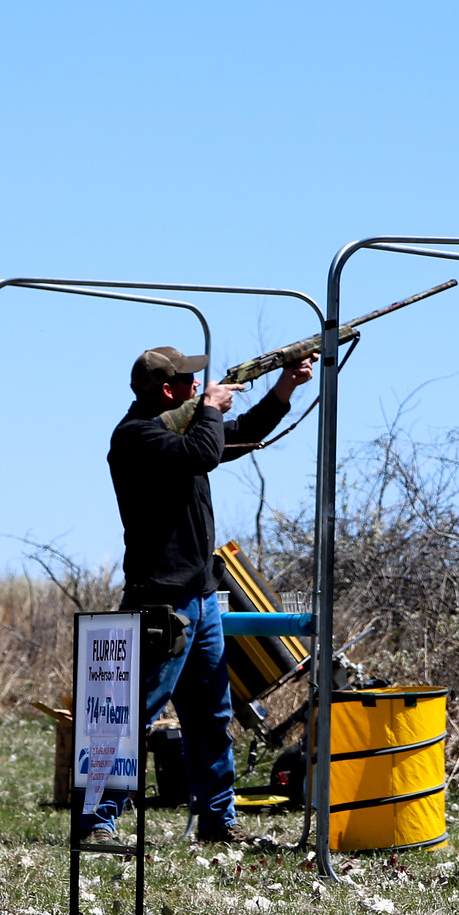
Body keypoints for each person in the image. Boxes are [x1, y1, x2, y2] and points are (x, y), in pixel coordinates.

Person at [90, 345, 316, 845]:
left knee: (211, 714)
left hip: (202, 596)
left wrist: (285, 387)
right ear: (169, 390)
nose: (198, 384)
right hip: (162, 600)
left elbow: (242, 436)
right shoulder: (136, 436)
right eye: (189, 381)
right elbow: (204, 451)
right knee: (134, 712)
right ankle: (96, 820)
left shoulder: (180, 428)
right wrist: (212, 408)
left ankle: (217, 820)